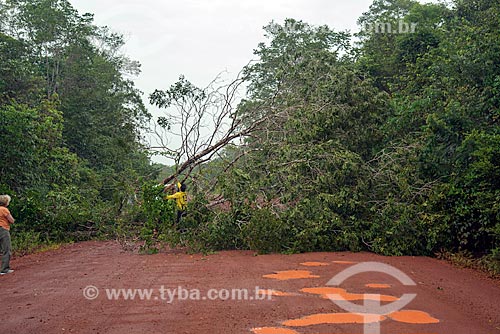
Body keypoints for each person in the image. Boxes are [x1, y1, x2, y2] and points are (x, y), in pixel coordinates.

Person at [0, 194, 15, 275]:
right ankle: (4, 269)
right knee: (6, 249)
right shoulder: (4, 210)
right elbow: (11, 220)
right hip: (3, 229)